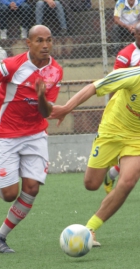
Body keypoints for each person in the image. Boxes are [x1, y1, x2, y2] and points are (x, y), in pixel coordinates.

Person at [0, 25, 63, 253]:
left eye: (49, 40)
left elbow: (45, 112)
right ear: (28, 43)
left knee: (32, 188)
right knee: (9, 194)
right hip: (7, 132)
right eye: (39, 40)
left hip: (35, 133)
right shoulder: (12, 65)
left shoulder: (55, 71)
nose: (45, 45)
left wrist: (40, 97)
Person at [50, 65, 140, 247]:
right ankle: (110, 173)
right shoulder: (134, 75)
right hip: (112, 130)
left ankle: (89, 229)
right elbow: (94, 87)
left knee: (128, 181)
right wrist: (67, 108)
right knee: (91, 184)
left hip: (136, 138)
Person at [103, 22, 140, 194]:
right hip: (127, 109)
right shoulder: (126, 54)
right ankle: (111, 174)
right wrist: (111, 110)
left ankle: (112, 173)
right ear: (135, 34)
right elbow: (114, 82)